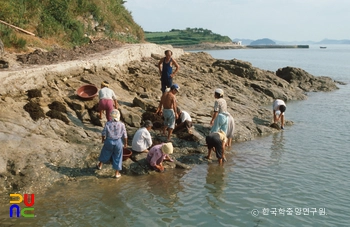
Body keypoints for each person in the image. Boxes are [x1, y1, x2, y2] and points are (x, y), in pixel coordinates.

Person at [96, 109, 127, 178]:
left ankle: (100, 165)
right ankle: (116, 173)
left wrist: (103, 139)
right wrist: (125, 143)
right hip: (118, 142)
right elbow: (125, 135)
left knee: (105, 152)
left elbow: (103, 133)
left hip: (109, 141)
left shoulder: (108, 123)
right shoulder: (122, 124)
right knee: (118, 156)